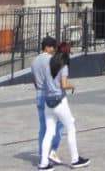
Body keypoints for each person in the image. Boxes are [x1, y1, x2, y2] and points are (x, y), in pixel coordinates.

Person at [37, 42, 89, 170]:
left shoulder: (49, 64)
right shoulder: (63, 66)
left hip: (48, 101)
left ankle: (44, 163)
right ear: (66, 53)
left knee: (49, 132)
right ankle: (75, 159)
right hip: (59, 100)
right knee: (71, 126)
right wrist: (73, 86)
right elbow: (64, 84)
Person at [31, 36, 63, 167]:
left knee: (43, 126)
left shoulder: (34, 61)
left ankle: (42, 153)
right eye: (53, 48)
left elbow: (34, 80)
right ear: (47, 47)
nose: (54, 50)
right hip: (50, 95)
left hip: (39, 93)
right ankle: (52, 151)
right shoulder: (51, 60)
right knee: (59, 124)